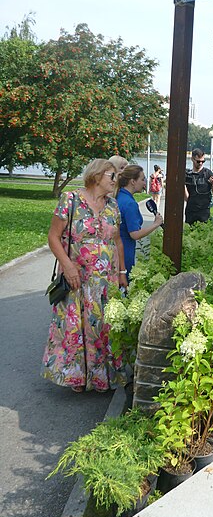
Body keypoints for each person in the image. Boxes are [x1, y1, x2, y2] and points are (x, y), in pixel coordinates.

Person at [41, 159, 128, 393]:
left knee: (102, 328)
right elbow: (53, 237)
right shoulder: (71, 200)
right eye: (112, 176)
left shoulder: (113, 206)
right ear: (97, 176)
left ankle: (101, 377)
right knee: (76, 328)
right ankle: (76, 376)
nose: (115, 180)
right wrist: (67, 265)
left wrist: (121, 272)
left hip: (105, 281)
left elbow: (117, 240)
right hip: (77, 278)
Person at [116, 165, 164, 278]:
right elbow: (134, 234)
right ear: (132, 181)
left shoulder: (118, 196)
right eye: (142, 179)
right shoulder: (130, 204)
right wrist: (156, 224)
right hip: (125, 250)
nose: (144, 183)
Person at [184, 148, 213, 224]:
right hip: (191, 211)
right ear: (192, 159)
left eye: (203, 161)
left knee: (203, 232)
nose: (200, 163)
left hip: (204, 211)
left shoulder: (208, 173)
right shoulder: (188, 174)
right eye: (198, 161)